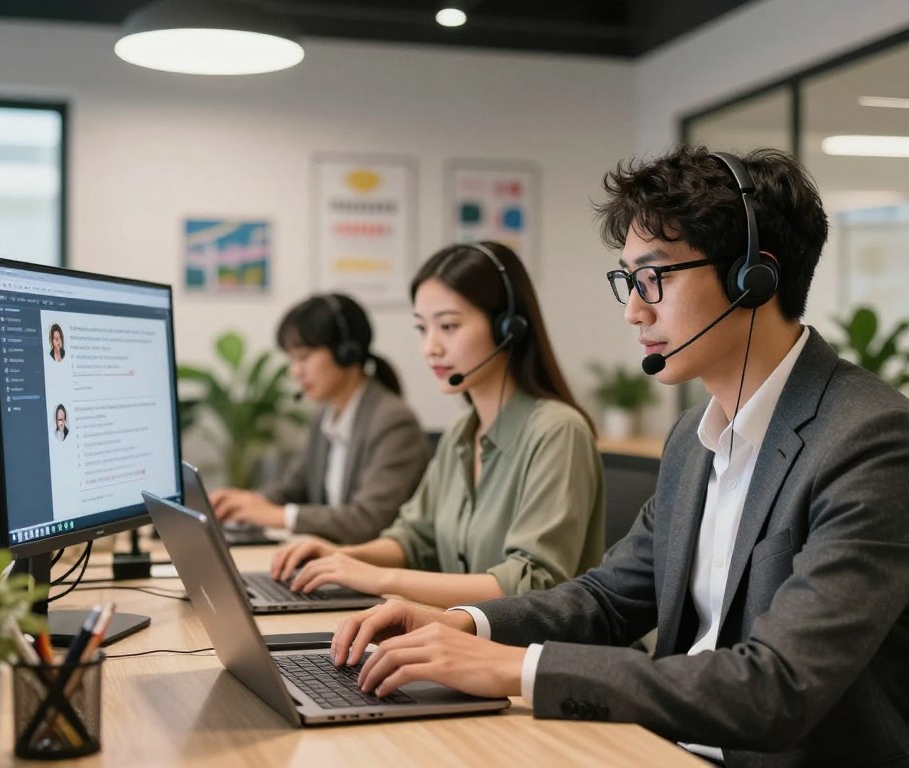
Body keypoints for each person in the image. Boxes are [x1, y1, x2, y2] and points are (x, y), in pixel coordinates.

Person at [329, 148, 909, 768]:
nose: (634, 309)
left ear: (753, 279)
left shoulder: (869, 441)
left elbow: (777, 689)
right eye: (628, 281)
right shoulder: (695, 437)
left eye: (655, 277)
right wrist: (465, 624)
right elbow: (608, 598)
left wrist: (518, 668)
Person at [272, 242, 605, 608]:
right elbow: (414, 537)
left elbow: (532, 582)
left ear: (508, 327)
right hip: (458, 641)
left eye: (448, 326)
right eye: (421, 328)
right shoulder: (462, 432)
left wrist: (381, 578)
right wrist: (345, 555)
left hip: (529, 655)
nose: (430, 347)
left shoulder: (558, 431)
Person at [210, 293, 430, 545]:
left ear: (346, 353)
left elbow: (368, 520)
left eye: (304, 357)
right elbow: (295, 488)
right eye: (291, 359)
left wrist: (279, 516)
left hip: (377, 571)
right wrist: (246, 503)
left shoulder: (393, 421)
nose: (295, 371)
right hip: (336, 563)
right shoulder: (326, 416)